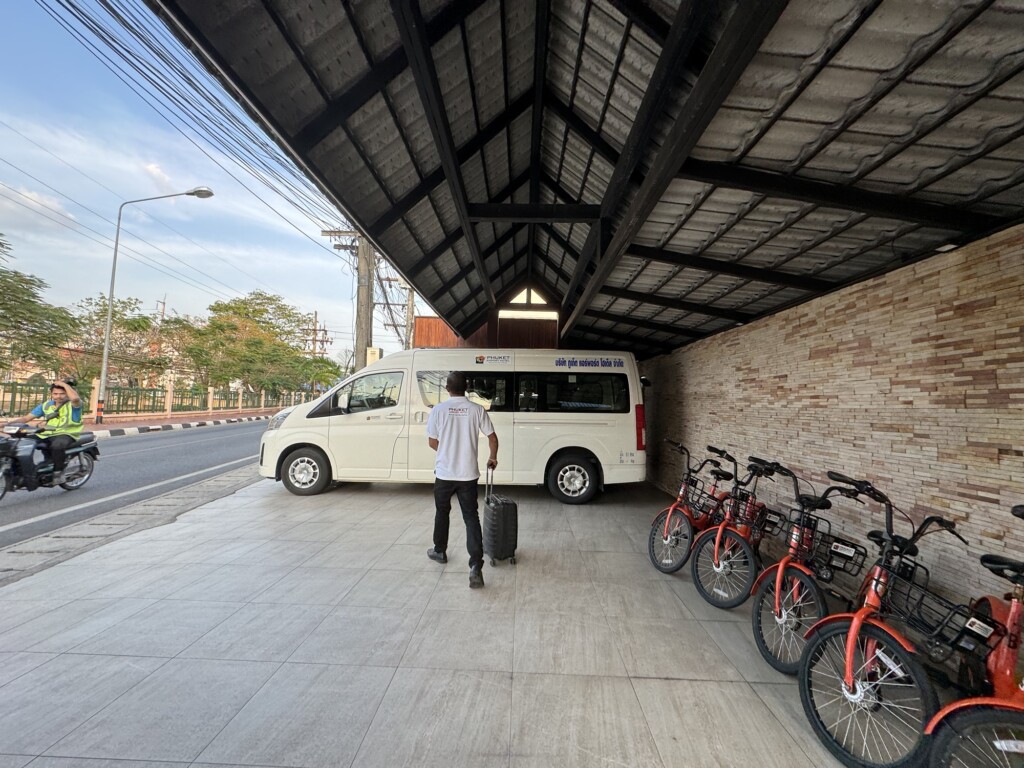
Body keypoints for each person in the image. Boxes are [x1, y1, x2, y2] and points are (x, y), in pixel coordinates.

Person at [426, 371, 498, 589]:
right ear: (466, 388)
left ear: (447, 387)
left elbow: (432, 442)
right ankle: (475, 566)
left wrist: (447, 452)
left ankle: (440, 551)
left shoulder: (438, 410)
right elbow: (493, 438)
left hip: (445, 474)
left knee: (442, 512)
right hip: (468, 474)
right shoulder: (477, 410)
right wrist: (492, 457)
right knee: (471, 517)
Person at [21, 379, 84, 484]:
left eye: (62, 394)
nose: (58, 396)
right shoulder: (46, 405)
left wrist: (63, 384)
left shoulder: (74, 405)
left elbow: (75, 398)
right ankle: (27, 471)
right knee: (24, 442)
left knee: (57, 445)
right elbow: (26, 418)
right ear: (51, 394)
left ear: (67, 393)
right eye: (55, 393)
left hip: (66, 433)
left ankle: (58, 473)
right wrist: (7, 424)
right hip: (46, 433)